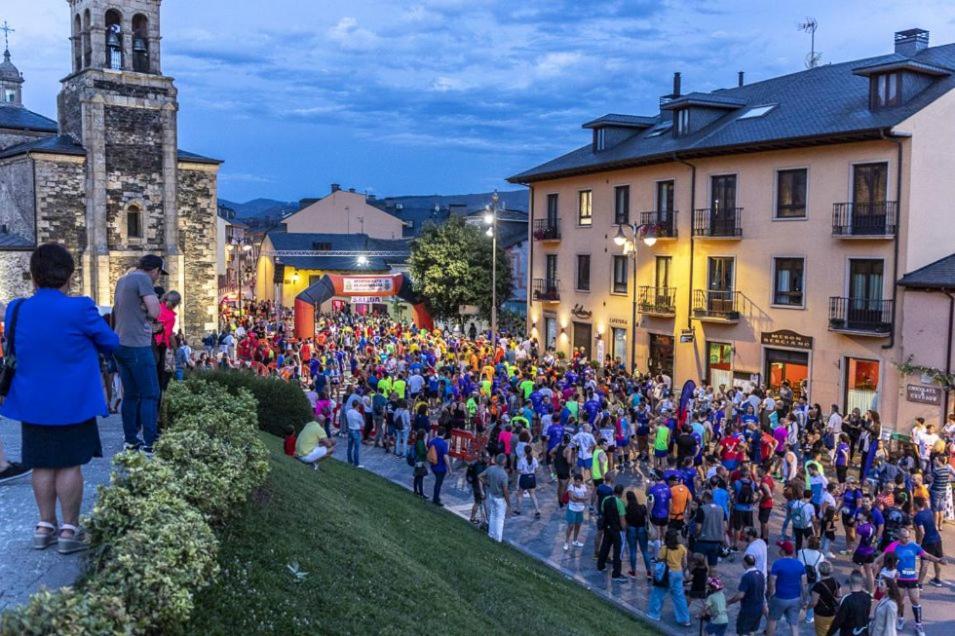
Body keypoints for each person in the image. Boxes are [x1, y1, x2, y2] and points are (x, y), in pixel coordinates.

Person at [1, 244, 119, 553]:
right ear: (68, 275)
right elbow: (111, 342)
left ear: (34, 276)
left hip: (32, 401)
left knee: (41, 464)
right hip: (73, 402)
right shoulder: (81, 308)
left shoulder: (16, 308)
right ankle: (69, 530)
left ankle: (44, 526)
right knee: (69, 466)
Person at [112, 254, 164, 453]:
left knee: (131, 395)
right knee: (150, 394)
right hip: (137, 345)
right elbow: (155, 312)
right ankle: (150, 442)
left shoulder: (123, 279)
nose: (157, 279)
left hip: (121, 342)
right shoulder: (143, 279)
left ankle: (131, 440)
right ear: (155, 270)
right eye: (158, 274)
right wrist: (150, 306)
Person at [872, 527, 944, 636]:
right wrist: (875, 561)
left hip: (912, 579)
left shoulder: (914, 546)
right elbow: (883, 555)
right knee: (900, 601)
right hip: (899, 579)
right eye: (905, 537)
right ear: (899, 537)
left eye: (908, 537)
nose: (907, 539)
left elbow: (927, 555)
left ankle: (919, 625)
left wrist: (938, 560)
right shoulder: (894, 546)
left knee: (915, 600)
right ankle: (900, 619)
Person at [647, 529, 691, 627]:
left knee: (658, 594)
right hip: (678, 573)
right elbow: (685, 563)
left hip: (666, 574)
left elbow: (659, 559)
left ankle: (654, 614)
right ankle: (684, 619)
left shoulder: (664, 549)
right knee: (679, 597)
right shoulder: (682, 548)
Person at [766, 540, 805, 636]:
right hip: (795, 598)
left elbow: (772, 582)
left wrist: (771, 595)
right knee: (794, 624)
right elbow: (804, 584)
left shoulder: (777, 564)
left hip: (780, 597)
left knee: (772, 620)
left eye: (781, 548)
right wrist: (804, 600)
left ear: (783, 551)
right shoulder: (799, 564)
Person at [728, 553, 765, 636]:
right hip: (759, 608)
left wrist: (729, 602)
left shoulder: (747, 576)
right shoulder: (760, 574)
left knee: (743, 631)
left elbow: (740, 595)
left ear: (744, 562)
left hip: (748, 609)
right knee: (752, 630)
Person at [826, 570, 871, 636]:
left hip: (848, 632)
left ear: (850, 583)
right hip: (862, 632)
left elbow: (839, 620)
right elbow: (867, 614)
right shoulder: (867, 597)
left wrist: (829, 633)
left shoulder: (847, 599)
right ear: (861, 583)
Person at [912, 496, 944, 587]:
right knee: (937, 560)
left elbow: (922, 532)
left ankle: (919, 584)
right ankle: (937, 579)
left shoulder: (918, 516)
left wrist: (918, 543)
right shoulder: (929, 511)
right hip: (937, 539)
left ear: (916, 505)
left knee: (924, 563)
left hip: (927, 542)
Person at [596, 483, 626, 580]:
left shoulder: (605, 499)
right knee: (617, 552)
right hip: (616, 529)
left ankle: (600, 565)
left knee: (605, 546)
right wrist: (624, 528)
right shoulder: (620, 503)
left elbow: (602, 510)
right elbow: (622, 519)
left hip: (607, 527)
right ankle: (616, 574)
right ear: (621, 493)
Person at [481, 453, 510, 542]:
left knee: (493, 515)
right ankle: (498, 538)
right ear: (504, 463)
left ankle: (491, 534)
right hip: (500, 498)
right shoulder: (504, 474)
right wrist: (509, 503)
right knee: (500, 518)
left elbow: (479, 476)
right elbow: (505, 491)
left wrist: (486, 482)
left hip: (491, 495)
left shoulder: (491, 468)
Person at [624, 489, 651, 578]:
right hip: (642, 529)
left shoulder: (627, 509)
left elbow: (625, 520)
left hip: (631, 529)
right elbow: (647, 516)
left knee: (632, 551)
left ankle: (633, 571)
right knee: (645, 551)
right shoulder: (642, 507)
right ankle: (649, 572)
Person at [809, 561, 840, 636]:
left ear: (819, 571)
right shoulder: (835, 582)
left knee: (821, 633)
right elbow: (839, 596)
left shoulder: (818, 586)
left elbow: (814, 602)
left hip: (821, 613)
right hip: (833, 612)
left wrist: (806, 607)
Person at [514, 445, 541, 518]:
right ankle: (537, 510)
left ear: (524, 451)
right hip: (532, 477)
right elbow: (537, 470)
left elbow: (519, 471)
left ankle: (518, 510)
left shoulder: (522, 460)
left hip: (524, 477)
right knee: (533, 494)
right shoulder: (534, 459)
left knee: (520, 494)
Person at [564, 473, 589, 550]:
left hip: (580, 509)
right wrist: (582, 498)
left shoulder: (584, 487)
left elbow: (587, 497)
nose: (577, 483)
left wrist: (577, 497)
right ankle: (566, 542)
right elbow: (572, 498)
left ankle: (575, 541)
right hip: (572, 509)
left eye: (578, 481)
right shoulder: (571, 487)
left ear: (581, 481)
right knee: (571, 526)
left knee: (578, 525)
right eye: (576, 481)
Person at [427, 428, 451, 506]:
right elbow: (445, 457)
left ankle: (436, 497)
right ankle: (436, 499)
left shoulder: (432, 441)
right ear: (444, 434)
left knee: (437, 482)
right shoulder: (444, 444)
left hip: (433, 465)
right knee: (438, 483)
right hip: (441, 467)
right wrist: (449, 468)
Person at [345, 403, 364, 467]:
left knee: (349, 447)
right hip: (356, 430)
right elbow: (362, 424)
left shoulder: (349, 411)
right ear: (357, 406)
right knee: (356, 448)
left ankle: (349, 460)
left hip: (350, 429)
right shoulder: (358, 414)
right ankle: (356, 463)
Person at [411, 430, 428, 498]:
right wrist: (426, 451)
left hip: (417, 460)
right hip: (420, 461)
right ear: (423, 435)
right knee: (421, 476)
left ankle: (415, 490)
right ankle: (421, 493)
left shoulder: (417, 441)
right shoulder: (421, 442)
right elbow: (421, 452)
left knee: (417, 476)